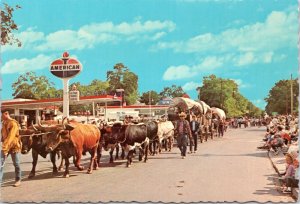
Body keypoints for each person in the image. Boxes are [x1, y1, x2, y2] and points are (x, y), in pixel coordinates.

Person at [1, 109, 22, 187]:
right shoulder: (3, 123)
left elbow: (11, 137)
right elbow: (3, 135)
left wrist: (5, 149)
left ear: (6, 114)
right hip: (5, 146)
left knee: (16, 164)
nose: (1, 117)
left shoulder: (13, 123)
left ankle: (18, 180)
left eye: (1, 115)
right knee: (0, 163)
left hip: (13, 146)